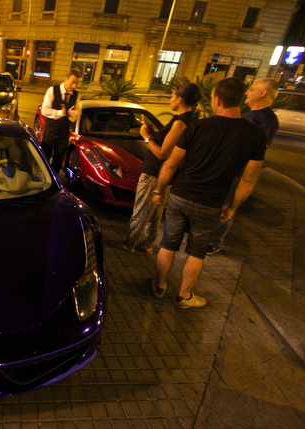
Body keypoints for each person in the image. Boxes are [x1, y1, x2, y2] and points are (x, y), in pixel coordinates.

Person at [151, 78, 267, 308]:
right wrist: (232, 207)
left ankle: (160, 285)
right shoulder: (256, 135)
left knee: (168, 243)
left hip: (180, 195)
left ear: (217, 99)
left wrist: (159, 190)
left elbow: (171, 163)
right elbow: (249, 178)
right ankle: (185, 296)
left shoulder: (197, 126)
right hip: (211, 203)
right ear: (240, 100)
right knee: (196, 251)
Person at [115, 83, 202, 257]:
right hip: (163, 174)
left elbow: (163, 154)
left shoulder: (180, 122)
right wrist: (154, 134)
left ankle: (130, 244)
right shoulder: (184, 119)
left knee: (142, 210)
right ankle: (147, 244)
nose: (170, 99)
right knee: (154, 211)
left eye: (172, 96)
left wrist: (147, 138)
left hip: (155, 172)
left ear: (180, 99)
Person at [206, 78, 280, 255]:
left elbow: (257, 150)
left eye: (252, 89)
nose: (247, 92)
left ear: (263, 93)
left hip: (236, 172)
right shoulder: (249, 114)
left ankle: (214, 242)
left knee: (226, 205)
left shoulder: (267, 119)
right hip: (225, 168)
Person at [40, 69, 81, 174]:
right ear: (66, 79)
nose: (74, 86)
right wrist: (60, 113)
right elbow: (44, 110)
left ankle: (55, 181)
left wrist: (70, 115)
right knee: (45, 157)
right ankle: (42, 178)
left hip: (64, 133)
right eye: (72, 82)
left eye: (77, 83)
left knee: (58, 160)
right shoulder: (52, 90)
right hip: (50, 131)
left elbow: (75, 114)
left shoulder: (76, 95)